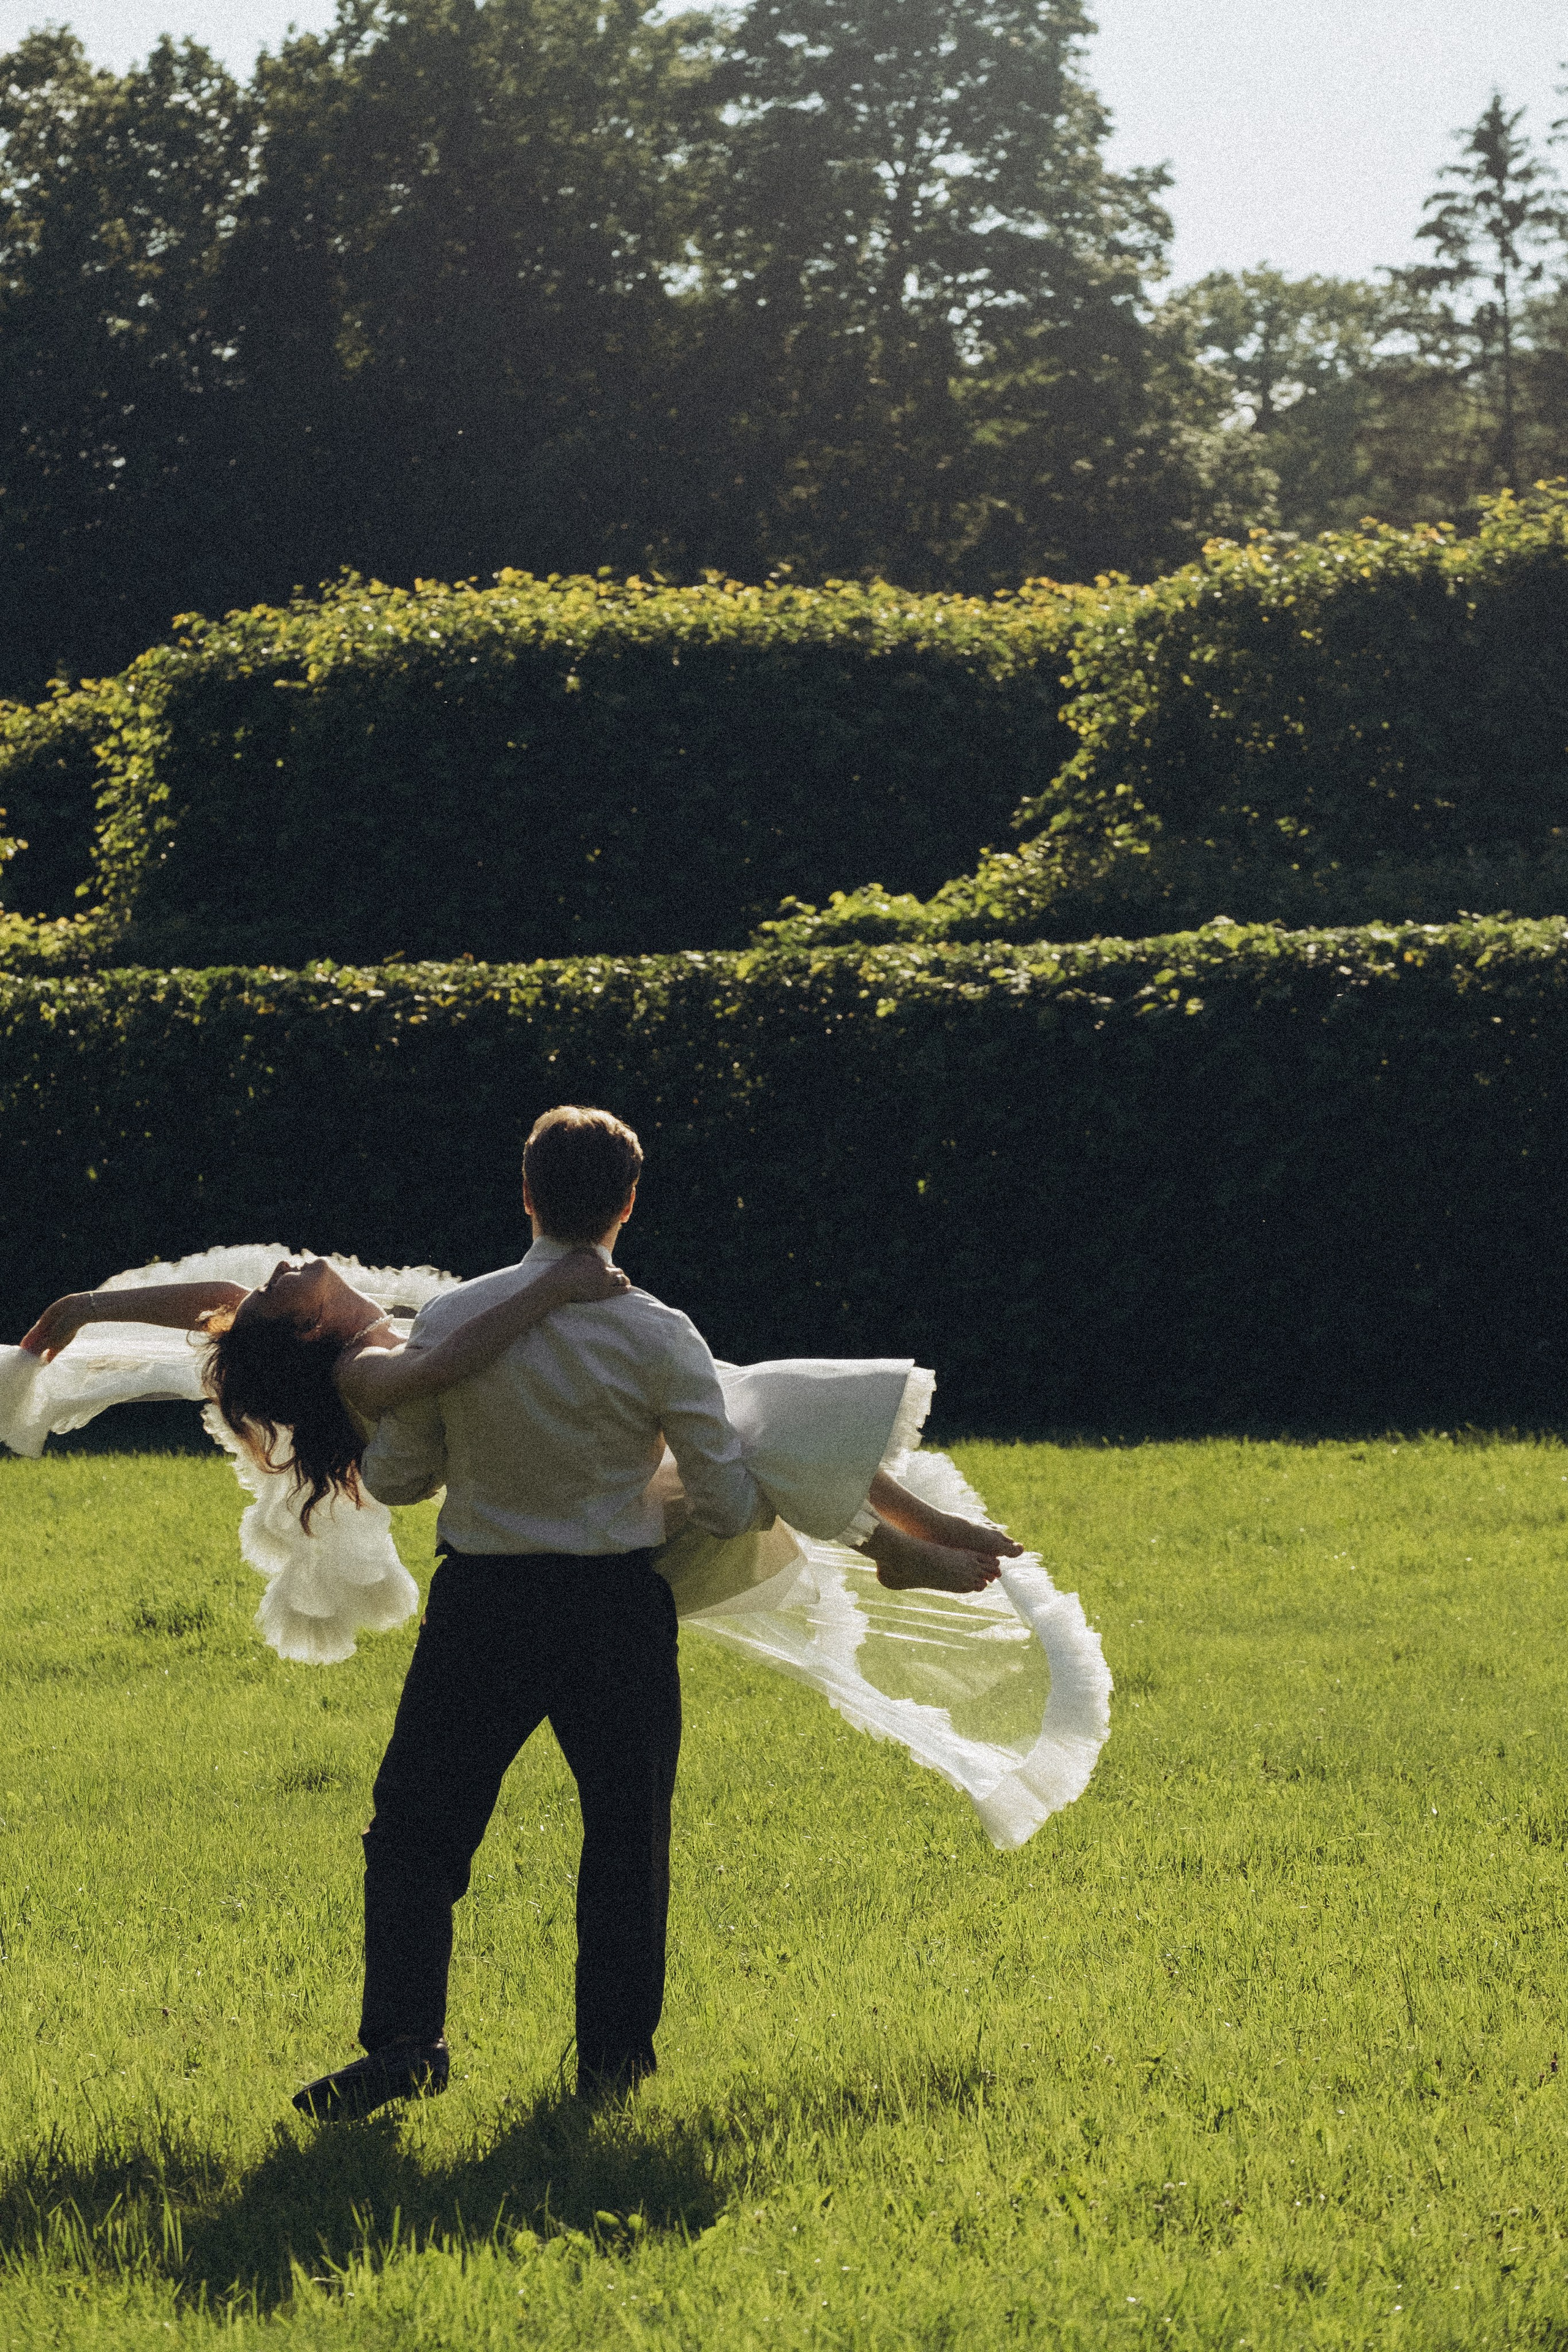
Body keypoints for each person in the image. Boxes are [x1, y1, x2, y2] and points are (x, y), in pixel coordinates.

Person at [15, 1106, 1022, 2119]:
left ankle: (406, 2042)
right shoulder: (653, 1328)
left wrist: (87, 1307)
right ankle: (613, 2069)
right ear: (630, 1203)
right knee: (627, 1840)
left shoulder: (455, 1322)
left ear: (527, 1196)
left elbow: (401, 1477)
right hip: (616, 1608)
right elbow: (722, 1505)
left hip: (487, 1607)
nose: (288, 1269)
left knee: (415, 1836)